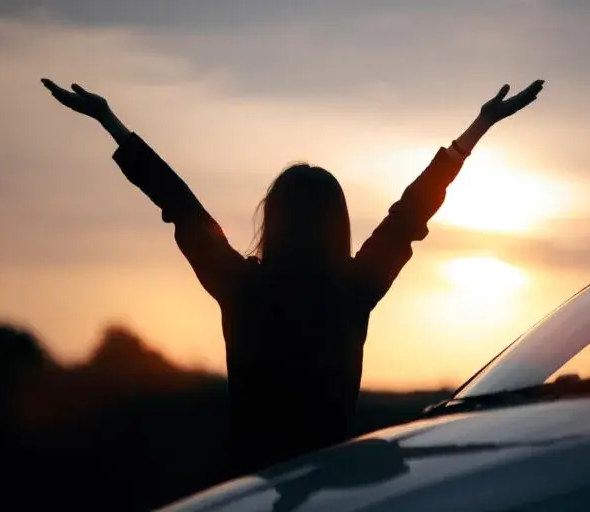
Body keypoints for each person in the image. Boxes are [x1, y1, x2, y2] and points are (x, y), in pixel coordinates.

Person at [40, 77, 544, 478]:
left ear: (273, 220)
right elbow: (407, 216)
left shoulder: (242, 287)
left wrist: (108, 120)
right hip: (331, 485)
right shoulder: (353, 290)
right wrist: (478, 127)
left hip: (245, 486)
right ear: (338, 224)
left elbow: (180, 206)